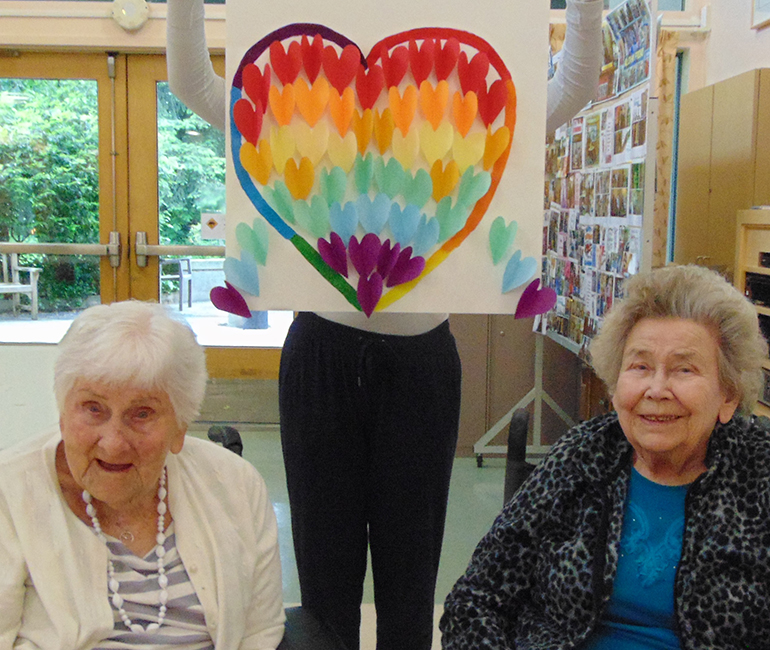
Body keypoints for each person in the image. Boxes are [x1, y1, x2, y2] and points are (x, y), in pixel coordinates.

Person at [165, 2, 603, 648]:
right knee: (323, 570)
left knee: (410, 574)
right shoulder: (309, 109)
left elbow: (571, 86)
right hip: (322, 354)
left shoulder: (457, 109)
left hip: (421, 363)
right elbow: (193, 84)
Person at [440, 264, 770, 649]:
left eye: (684, 369)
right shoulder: (581, 456)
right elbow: (476, 598)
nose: (657, 388)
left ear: (728, 395)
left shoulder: (759, 471)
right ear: (615, 385)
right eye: (640, 366)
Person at [0, 301, 285, 650]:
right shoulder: (9, 494)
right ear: (62, 413)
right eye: (93, 409)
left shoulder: (235, 484)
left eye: (142, 413)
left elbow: (260, 632)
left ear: (180, 426)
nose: (114, 443)